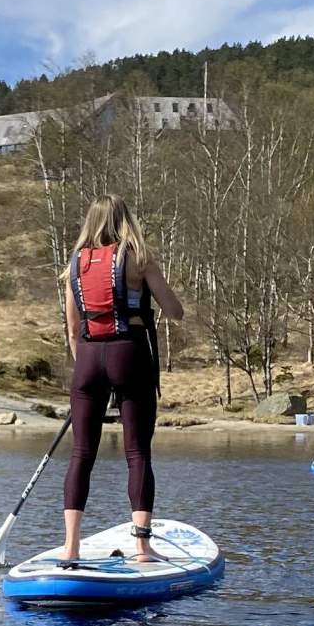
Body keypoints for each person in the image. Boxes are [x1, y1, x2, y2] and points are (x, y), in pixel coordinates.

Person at [57, 194, 185, 564]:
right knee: (137, 451)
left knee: (81, 453)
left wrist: (87, 368)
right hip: (129, 353)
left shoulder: (74, 264)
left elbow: (72, 328)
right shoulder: (139, 257)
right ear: (124, 220)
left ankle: (71, 547)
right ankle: (143, 548)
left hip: (88, 358)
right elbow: (175, 312)